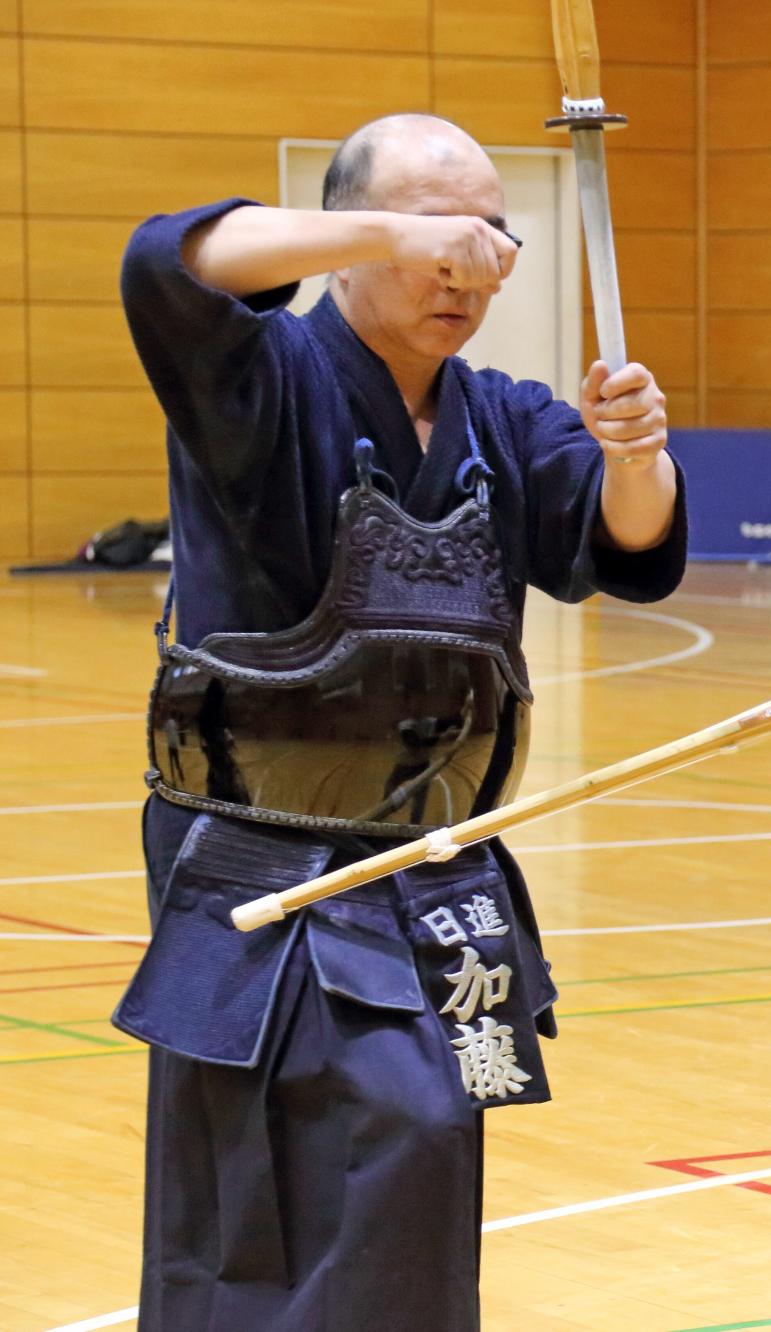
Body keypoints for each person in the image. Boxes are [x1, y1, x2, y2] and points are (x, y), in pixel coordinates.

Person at [111, 114, 688, 1329]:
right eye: (432, 233)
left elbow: (624, 543)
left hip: (434, 861)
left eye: (486, 236)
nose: (460, 266)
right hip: (262, 858)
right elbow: (164, 259)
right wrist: (392, 229)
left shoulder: (507, 416)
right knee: (265, 1176)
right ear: (349, 231)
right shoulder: (261, 378)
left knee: (428, 1148)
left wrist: (639, 454)